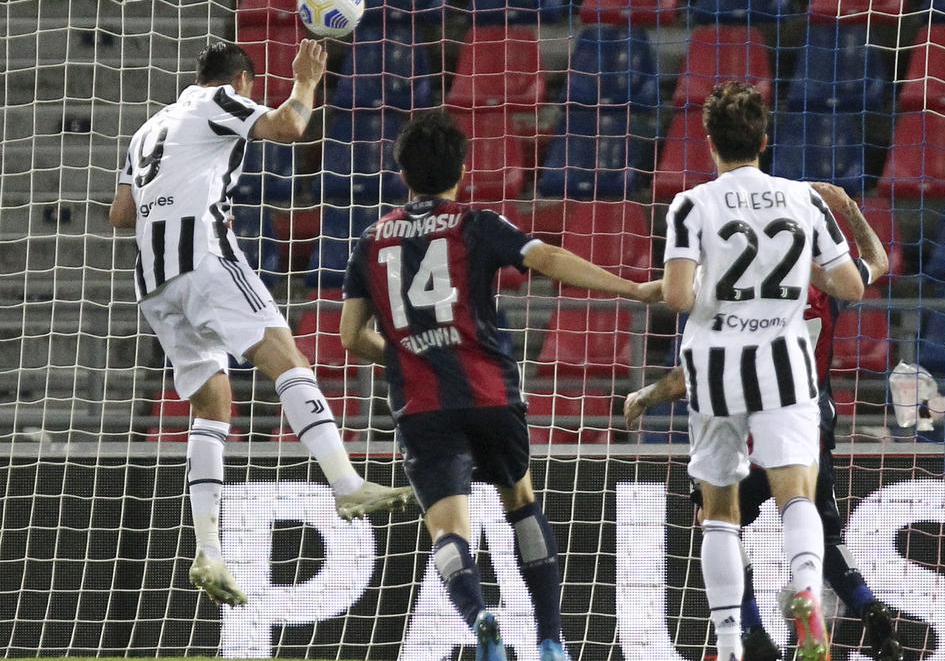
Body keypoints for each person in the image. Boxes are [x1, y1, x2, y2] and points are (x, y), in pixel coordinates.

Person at [337, 110, 661, 661]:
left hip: (421, 405)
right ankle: (552, 640)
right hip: (489, 392)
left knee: (447, 530)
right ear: (461, 170)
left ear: (403, 174)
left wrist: (413, 350)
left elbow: (350, 335)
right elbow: (549, 259)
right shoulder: (476, 222)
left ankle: (481, 617)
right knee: (521, 502)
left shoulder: (370, 239)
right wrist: (633, 289)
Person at [109, 40, 414, 607]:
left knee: (212, 408)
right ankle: (347, 485)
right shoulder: (216, 100)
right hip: (202, 257)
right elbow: (289, 127)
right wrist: (305, 81)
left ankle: (209, 551)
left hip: (152, 282)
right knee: (288, 360)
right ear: (243, 79)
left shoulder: (146, 129)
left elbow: (121, 214)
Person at [626, 182, 905, 661]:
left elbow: (694, 370)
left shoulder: (740, 292)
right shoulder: (822, 286)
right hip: (808, 420)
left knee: (718, 522)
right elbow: (876, 263)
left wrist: (648, 395)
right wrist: (851, 210)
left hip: (746, 421)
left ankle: (749, 633)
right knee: (816, 523)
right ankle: (871, 616)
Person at [658, 81, 867, 661]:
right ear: (765, 141)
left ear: (709, 145)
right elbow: (850, 284)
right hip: (785, 361)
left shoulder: (691, 205)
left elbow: (677, 298)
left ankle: (728, 644)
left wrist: (710, 282)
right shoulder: (804, 199)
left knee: (719, 510)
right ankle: (806, 596)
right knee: (796, 496)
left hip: (715, 364)